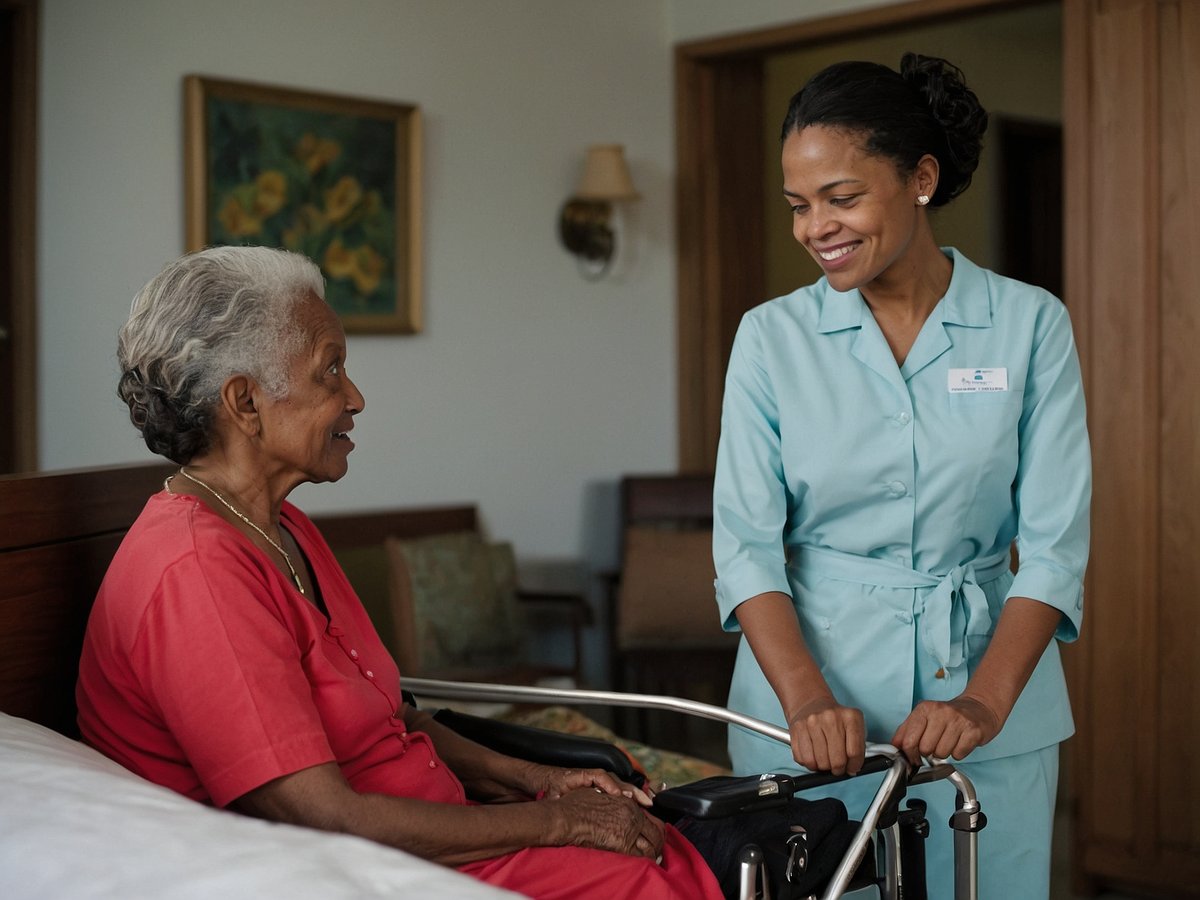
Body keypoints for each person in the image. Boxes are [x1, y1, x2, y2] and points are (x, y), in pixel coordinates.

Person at [77, 245, 722, 900]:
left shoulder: (280, 526)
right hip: (359, 868)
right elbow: (320, 815)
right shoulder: (196, 573)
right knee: (655, 877)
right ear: (245, 403)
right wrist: (560, 822)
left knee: (679, 836)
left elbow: (389, 719)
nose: (354, 397)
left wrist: (538, 779)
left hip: (429, 832)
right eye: (330, 371)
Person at [712, 53, 1090, 900]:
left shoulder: (1028, 325)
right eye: (799, 206)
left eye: (842, 198)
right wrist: (808, 704)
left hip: (991, 716)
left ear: (921, 177)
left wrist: (986, 706)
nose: (817, 228)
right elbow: (745, 550)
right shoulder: (771, 340)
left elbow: (1057, 549)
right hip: (807, 724)